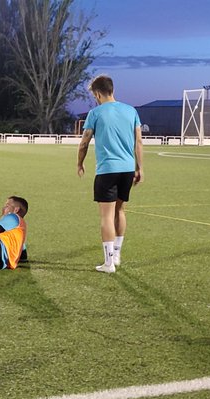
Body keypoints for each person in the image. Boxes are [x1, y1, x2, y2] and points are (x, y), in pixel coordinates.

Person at [76, 74, 143, 274]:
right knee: (120, 211)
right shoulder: (131, 111)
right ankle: (117, 253)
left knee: (106, 217)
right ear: (112, 89)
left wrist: (79, 163)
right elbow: (138, 142)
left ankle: (109, 263)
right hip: (127, 168)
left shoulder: (95, 113)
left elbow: (84, 142)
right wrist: (140, 168)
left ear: (97, 93)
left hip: (107, 170)